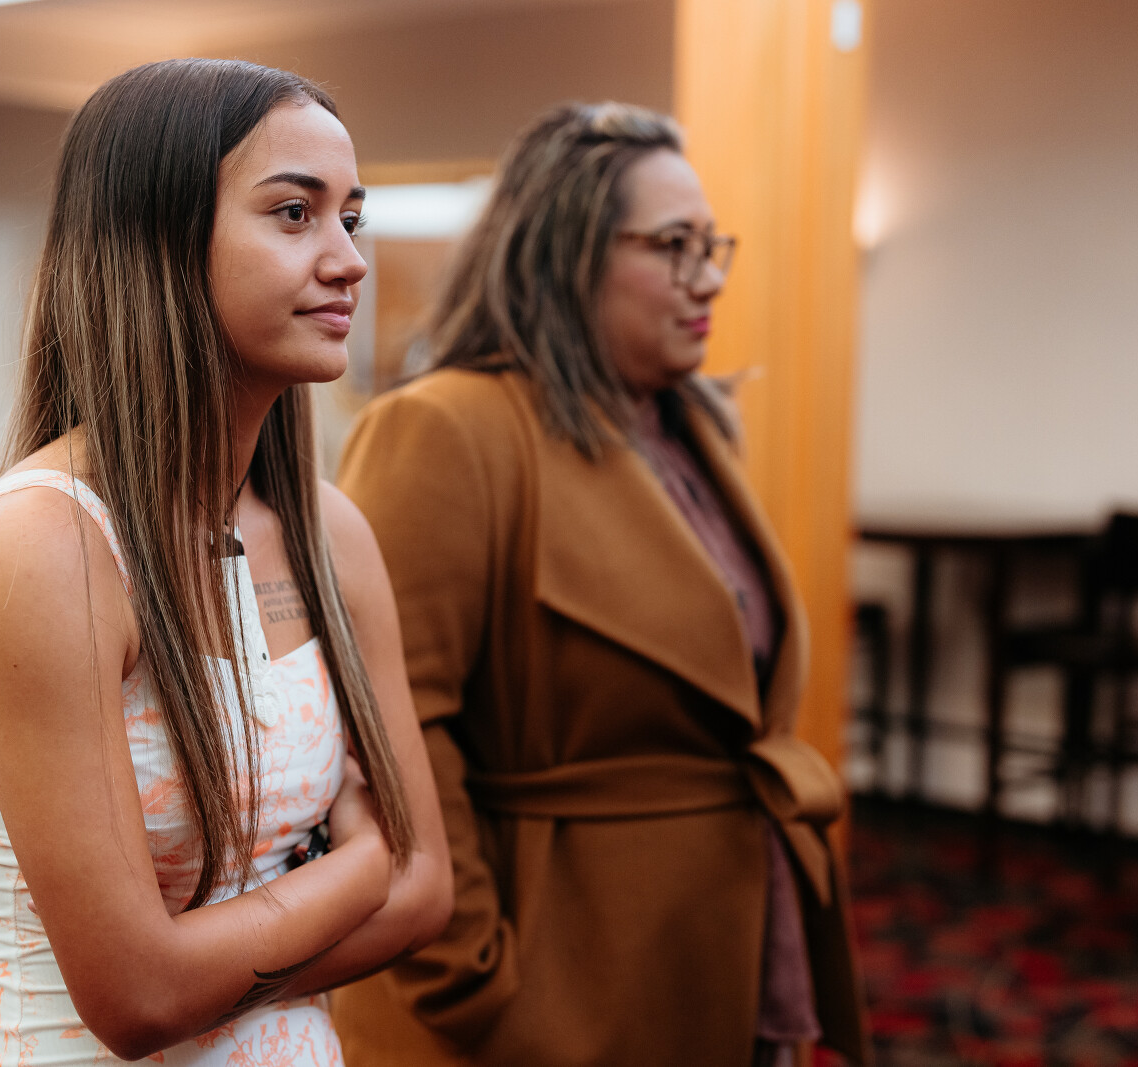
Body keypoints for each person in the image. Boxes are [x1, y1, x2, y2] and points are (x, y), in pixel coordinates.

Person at [330, 102, 869, 1066]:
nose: (708, 276)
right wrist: (476, 979)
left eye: (711, 245)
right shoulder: (450, 428)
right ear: (565, 253)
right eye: (673, 245)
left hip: (713, 940)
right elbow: (391, 729)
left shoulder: (690, 424)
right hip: (563, 981)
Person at [0, 59, 452, 1067]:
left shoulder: (329, 531)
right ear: (161, 241)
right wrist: (360, 865)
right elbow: (137, 999)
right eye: (295, 213)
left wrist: (205, 966)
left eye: (351, 218)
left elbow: (429, 885)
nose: (349, 260)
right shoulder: (48, 543)